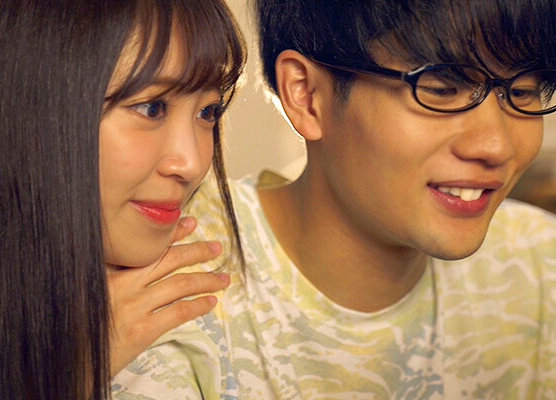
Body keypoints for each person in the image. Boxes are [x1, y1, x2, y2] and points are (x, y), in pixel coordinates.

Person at [112, 0, 556, 399]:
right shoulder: (163, 290)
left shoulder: (540, 262)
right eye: (441, 88)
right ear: (306, 95)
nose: (495, 145)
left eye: (521, 91)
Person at [0, 0, 244, 398]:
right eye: (152, 108)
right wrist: (69, 377)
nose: (192, 163)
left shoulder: (189, 327)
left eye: (208, 111)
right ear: (22, 105)